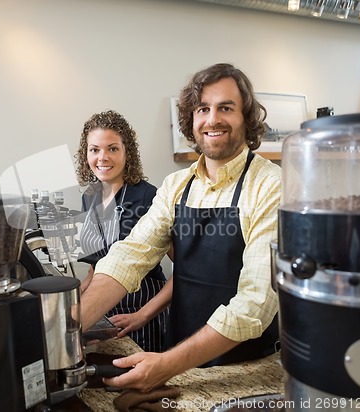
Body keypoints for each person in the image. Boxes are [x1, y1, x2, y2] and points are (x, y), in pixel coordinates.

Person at [80, 63, 281, 392]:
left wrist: (166, 364)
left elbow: (256, 303)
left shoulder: (270, 186)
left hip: (248, 368)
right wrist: (68, 327)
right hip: (181, 358)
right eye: (203, 109)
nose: (212, 119)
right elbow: (130, 256)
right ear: (191, 119)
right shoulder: (177, 185)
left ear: (246, 116)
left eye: (226, 108)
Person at [75, 109, 169, 353]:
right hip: (103, 311)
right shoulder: (90, 196)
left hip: (142, 311)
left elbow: (186, 270)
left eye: (112, 148)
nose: (102, 157)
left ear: (128, 152)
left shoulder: (149, 196)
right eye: (94, 149)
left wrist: (142, 315)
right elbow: (98, 261)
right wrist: (79, 293)